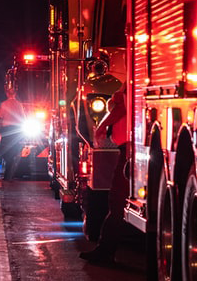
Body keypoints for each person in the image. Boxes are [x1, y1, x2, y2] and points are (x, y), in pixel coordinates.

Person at [79, 89, 130, 264]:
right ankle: (105, 250)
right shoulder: (128, 82)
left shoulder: (129, 83)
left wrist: (102, 126)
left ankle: (105, 252)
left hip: (129, 148)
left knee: (117, 201)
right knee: (117, 202)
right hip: (127, 147)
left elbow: (123, 106)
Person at [0, 88, 27, 180]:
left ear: (7, 93)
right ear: (15, 94)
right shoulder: (19, 105)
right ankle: (12, 172)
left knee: (6, 151)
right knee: (15, 152)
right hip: (17, 130)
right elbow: (23, 119)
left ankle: (8, 173)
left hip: (7, 130)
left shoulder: (4, 104)